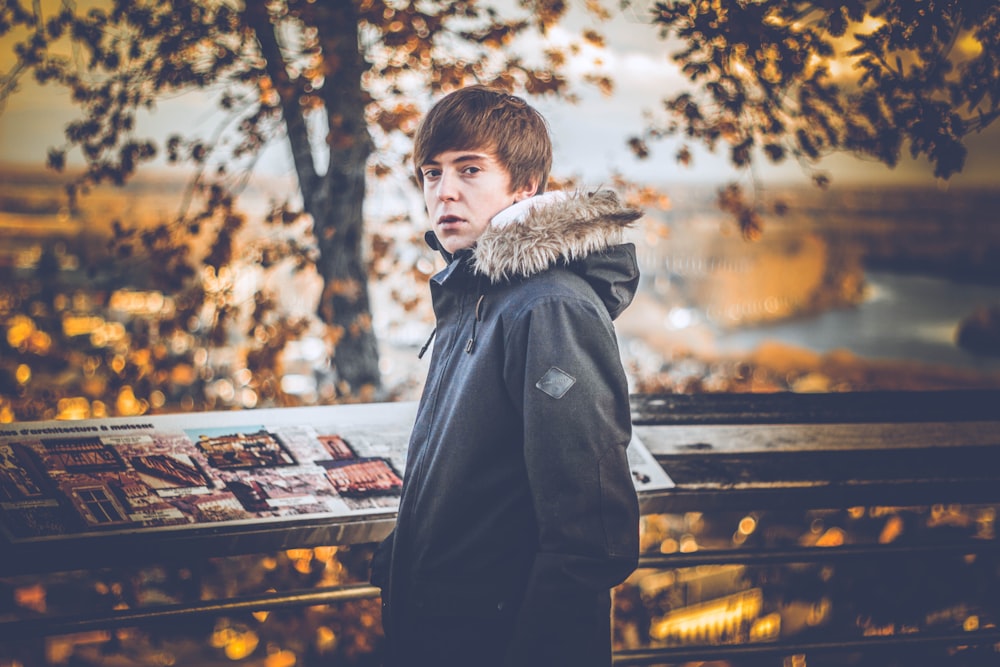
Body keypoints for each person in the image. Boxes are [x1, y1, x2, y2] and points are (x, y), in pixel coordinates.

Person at [370, 85, 641, 667]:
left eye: (469, 170)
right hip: (442, 636)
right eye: (430, 173)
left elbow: (588, 536)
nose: (444, 192)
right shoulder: (478, 296)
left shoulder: (549, 308)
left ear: (525, 188)